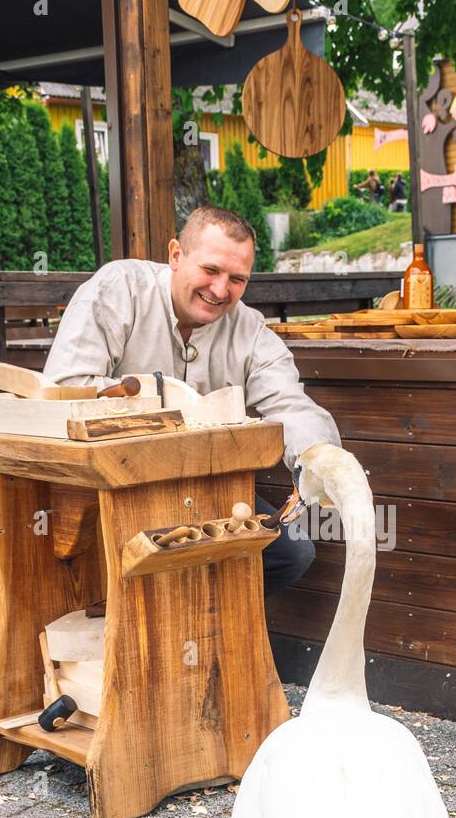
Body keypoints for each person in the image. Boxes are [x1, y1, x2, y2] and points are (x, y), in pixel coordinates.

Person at [42, 205, 341, 597]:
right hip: (109, 483)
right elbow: (66, 389)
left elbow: (289, 404)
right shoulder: (119, 288)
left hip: (203, 487)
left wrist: (318, 459)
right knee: (135, 560)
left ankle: (202, 628)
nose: (221, 291)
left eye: (237, 279)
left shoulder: (248, 328)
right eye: (211, 270)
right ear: (176, 255)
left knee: (291, 554)